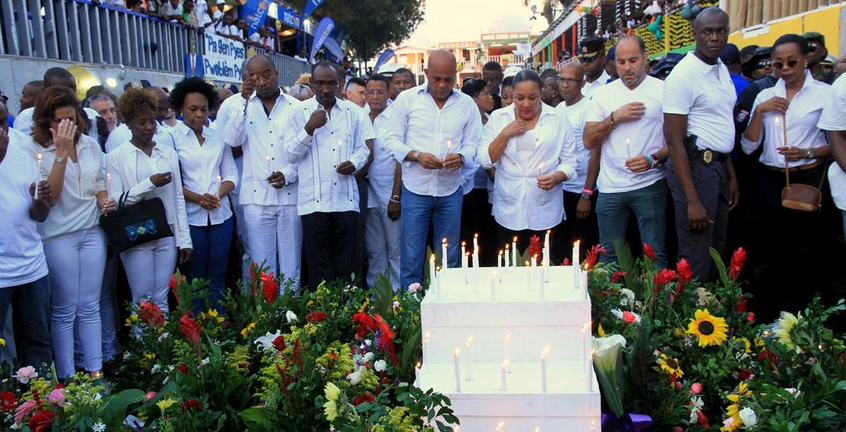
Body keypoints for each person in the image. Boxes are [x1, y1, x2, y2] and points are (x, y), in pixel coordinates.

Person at [22, 86, 112, 379]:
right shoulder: (36, 150)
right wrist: (60, 153)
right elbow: (52, 198)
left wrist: (103, 199)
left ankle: (95, 372)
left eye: (71, 119)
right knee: (64, 309)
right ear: (47, 122)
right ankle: (68, 377)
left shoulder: (89, 144)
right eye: (60, 121)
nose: (67, 127)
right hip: (58, 235)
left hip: (91, 232)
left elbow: (98, 181)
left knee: (90, 305)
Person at [741, 34, 832, 320]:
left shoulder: (824, 95)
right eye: (778, 64)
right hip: (769, 180)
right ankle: (769, 315)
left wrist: (806, 152)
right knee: (769, 248)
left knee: (805, 249)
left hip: (807, 178)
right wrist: (759, 113)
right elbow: (748, 146)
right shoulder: (765, 95)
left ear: (806, 60)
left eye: (792, 62)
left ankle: (803, 316)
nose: (785, 69)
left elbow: (836, 143)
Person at [383, 50, 480, 289]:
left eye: (448, 79)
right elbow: (390, 140)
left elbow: (474, 144)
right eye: (436, 78)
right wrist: (416, 156)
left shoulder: (466, 104)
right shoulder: (407, 100)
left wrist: (461, 157)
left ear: (455, 76)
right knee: (412, 255)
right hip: (416, 189)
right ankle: (410, 315)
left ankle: (447, 305)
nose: (442, 84)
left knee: (449, 255)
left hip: (450, 190)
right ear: (426, 74)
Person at [664, 7, 738, 281]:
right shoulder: (683, 76)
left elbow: (719, 125)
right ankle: (686, 321)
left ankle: (710, 317)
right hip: (695, 171)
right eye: (707, 32)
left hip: (717, 167)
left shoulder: (720, 68)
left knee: (716, 251)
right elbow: (674, 141)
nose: (715, 38)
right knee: (695, 258)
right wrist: (692, 200)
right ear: (695, 34)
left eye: (721, 31)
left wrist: (730, 176)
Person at [584, 36, 670, 268]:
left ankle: (657, 303)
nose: (627, 67)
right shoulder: (603, 95)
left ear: (645, 59)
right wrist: (615, 118)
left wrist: (653, 159)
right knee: (609, 256)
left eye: (633, 60)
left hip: (650, 184)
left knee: (655, 253)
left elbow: (678, 140)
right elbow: (589, 140)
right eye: (621, 62)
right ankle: (610, 303)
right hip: (611, 187)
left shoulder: (664, 90)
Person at [107, 88, 192, 313]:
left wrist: (184, 239)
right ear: (128, 123)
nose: (148, 128)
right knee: (142, 299)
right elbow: (115, 201)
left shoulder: (167, 153)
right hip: (136, 233)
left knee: (162, 296)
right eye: (141, 122)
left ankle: (161, 346)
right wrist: (150, 183)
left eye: (152, 122)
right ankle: (144, 347)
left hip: (167, 231)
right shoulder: (117, 157)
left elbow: (177, 197)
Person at [285, 61, 371, 285]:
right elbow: (291, 155)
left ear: (340, 84)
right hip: (313, 204)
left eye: (331, 83)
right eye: (320, 83)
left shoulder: (354, 112)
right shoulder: (298, 112)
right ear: (311, 84)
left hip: (345, 201)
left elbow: (363, 149)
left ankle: (347, 316)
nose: (325, 89)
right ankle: (321, 318)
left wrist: (353, 163)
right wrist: (309, 128)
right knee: (318, 269)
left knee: (347, 267)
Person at [225, 55, 303, 290]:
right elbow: (232, 139)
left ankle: (291, 319)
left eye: (265, 74)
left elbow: (306, 150)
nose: (261, 81)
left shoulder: (296, 107)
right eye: (253, 77)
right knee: (263, 269)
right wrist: (243, 101)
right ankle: (267, 322)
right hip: (256, 199)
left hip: (290, 197)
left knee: (291, 268)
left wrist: (288, 174)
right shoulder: (238, 105)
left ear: (276, 73)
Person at [479, 69, 577, 255]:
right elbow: (485, 160)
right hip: (509, 208)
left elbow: (571, 162)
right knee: (511, 265)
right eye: (519, 98)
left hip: (545, 208)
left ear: (541, 93)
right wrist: (505, 134)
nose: (526, 104)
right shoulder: (499, 118)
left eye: (532, 98)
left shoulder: (557, 119)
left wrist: (556, 177)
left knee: (543, 265)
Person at [170, 78, 236, 310]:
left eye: (204, 109)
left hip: (221, 216)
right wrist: (198, 198)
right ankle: (197, 334)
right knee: (195, 280)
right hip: (191, 218)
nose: (199, 114)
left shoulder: (217, 137)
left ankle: (216, 328)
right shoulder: (171, 139)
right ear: (181, 109)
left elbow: (230, 174)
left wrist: (217, 194)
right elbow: (173, 183)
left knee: (217, 277)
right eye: (193, 109)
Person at [0, 98, 53, 371]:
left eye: (3, 123)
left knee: (38, 344)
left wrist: (40, 200)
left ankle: (43, 408)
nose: (2, 132)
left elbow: (39, 215)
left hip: (31, 264)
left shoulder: (21, 145)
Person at [555, 62, 600, 260]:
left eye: (570, 80)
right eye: (561, 79)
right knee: (562, 248)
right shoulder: (557, 110)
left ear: (582, 83)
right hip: (561, 190)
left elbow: (595, 154)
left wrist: (587, 194)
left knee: (584, 249)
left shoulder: (590, 108)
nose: (565, 85)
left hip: (582, 191)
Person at [364, 74, 402, 290]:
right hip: (368, 196)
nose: (375, 96)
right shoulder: (360, 116)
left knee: (396, 250)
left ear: (388, 94)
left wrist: (396, 197)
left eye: (380, 92)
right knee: (375, 251)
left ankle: (400, 302)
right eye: (370, 92)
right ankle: (377, 301)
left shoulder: (395, 119)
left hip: (391, 195)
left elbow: (401, 161)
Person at [459, 78, 497, 265]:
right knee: (471, 234)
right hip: (469, 187)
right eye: (485, 94)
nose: (491, 98)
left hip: (490, 188)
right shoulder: (463, 120)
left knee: (489, 234)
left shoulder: (493, 120)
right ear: (473, 99)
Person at [14, 68, 99, 139]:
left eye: (73, 88)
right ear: (45, 90)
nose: (69, 93)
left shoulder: (90, 114)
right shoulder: (26, 117)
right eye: (58, 120)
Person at [106, 87, 176, 153]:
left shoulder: (168, 137)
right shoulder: (118, 135)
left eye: (152, 121)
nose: (164, 114)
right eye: (141, 123)